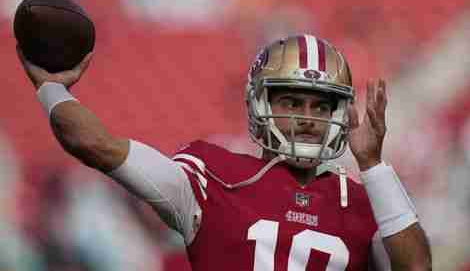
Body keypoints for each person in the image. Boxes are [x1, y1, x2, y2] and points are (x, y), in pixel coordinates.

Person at [17, 34, 431, 271]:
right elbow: (95, 145)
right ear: (262, 104)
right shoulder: (213, 174)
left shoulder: (362, 200)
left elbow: (416, 269)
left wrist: (373, 165)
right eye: (292, 103)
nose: (308, 118)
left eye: (321, 106)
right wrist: (50, 86)